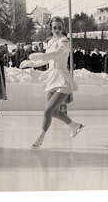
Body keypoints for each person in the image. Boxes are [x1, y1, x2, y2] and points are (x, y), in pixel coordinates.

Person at [19, 16, 84, 149]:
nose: (57, 30)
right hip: (52, 78)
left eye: (59, 28)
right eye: (54, 27)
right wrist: (30, 63)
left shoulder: (65, 41)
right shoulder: (50, 42)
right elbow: (46, 60)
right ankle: (73, 125)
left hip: (62, 79)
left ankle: (41, 138)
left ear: (63, 28)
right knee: (52, 112)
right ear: (51, 28)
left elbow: (57, 54)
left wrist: (41, 55)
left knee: (48, 111)